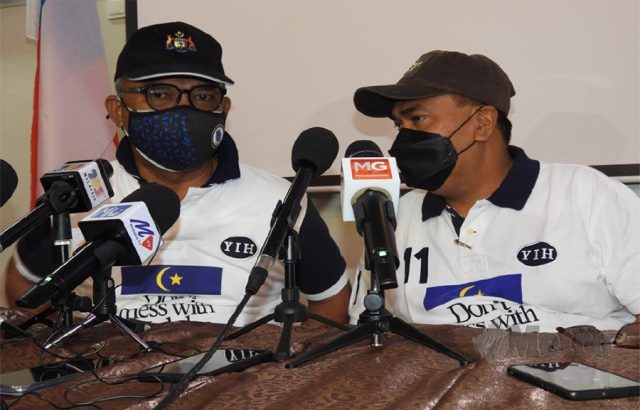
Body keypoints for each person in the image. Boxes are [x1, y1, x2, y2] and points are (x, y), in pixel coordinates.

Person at [5, 21, 350, 326]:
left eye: (203, 95)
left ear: (223, 108)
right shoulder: (78, 197)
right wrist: (68, 364)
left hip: (241, 376)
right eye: (159, 94)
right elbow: (24, 288)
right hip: (110, 377)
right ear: (118, 109)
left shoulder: (279, 198)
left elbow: (331, 299)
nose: (183, 108)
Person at [348, 50, 639, 333]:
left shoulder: (587, 196)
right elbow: (365, 336)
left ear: (482, 123)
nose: (403, 138)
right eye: (399, 125)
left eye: (418, 119)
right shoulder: (393, 217)